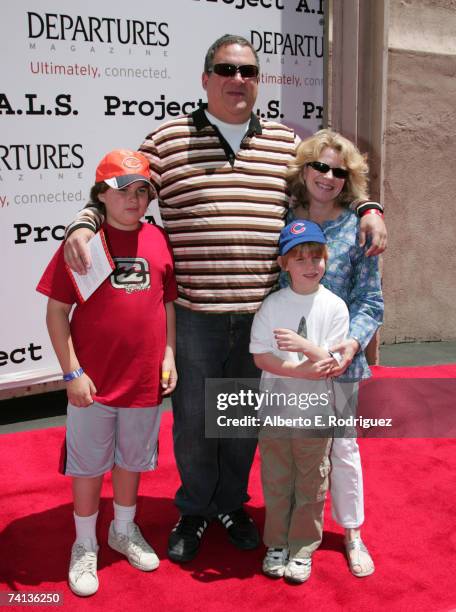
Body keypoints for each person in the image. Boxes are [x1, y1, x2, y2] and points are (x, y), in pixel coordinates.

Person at [62, 34, 387, 564]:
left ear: (258, 81)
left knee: (240, 422)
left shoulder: (286, 144)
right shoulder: (166, 141)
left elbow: (332, 186)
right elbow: (124, 190)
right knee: (194, 421)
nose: (238, 79)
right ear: (206, 77)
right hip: (195, 314)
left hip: (261, 314)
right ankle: (193, 510)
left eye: (249, 71)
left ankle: (232, 505)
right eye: (226, 69)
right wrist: (83, 221)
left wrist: (371, 206)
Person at [36, 149, 178, 596]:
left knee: (132, 460)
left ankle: (122, 528)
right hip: (92, 385)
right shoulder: (83, 243)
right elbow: (57, 312)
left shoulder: (157, 239)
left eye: (142, 192)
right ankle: (83, 543)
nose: (133, 201)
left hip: (143, 381)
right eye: (122, 192)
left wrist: (169, 354)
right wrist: (71, 373)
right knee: (89, 465)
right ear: (101, 195)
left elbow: (166, 302)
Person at [284, 129, 384, 577]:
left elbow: (371, 301)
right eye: (320, 166)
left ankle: (352, 532)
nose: (328, 177)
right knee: (295, 448)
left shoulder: (360, 226)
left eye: (339, 171)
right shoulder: (282, 218)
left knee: (342, 449)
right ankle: (294, 529)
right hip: (291, 361)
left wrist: (352, 342)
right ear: (304, 167)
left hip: (341, 363)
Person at [250, 220, 349, 583]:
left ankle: (303, 546)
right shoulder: (272, 305)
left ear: (326, 259)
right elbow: (261, 356)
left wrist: (305, 346)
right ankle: (276, 542)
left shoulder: (335, 307)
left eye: (316, 256)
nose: (310, 265)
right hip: (276, 411)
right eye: (300, 257)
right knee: (277, 478)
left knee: (312, 481)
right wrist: (299, 370)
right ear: (284, 264)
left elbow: (332, 362)